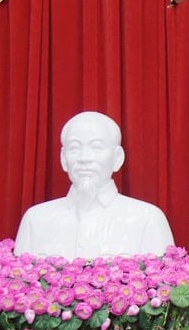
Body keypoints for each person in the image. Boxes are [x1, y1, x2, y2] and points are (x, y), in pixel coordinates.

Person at [14, 110, 174, 258]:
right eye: (75, 148)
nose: (84, 158)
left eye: (97, 148)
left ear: (117, 158)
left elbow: (166, 287)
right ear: (63, 158)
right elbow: (18, 284)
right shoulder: (35, 219)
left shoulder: (148, 219)